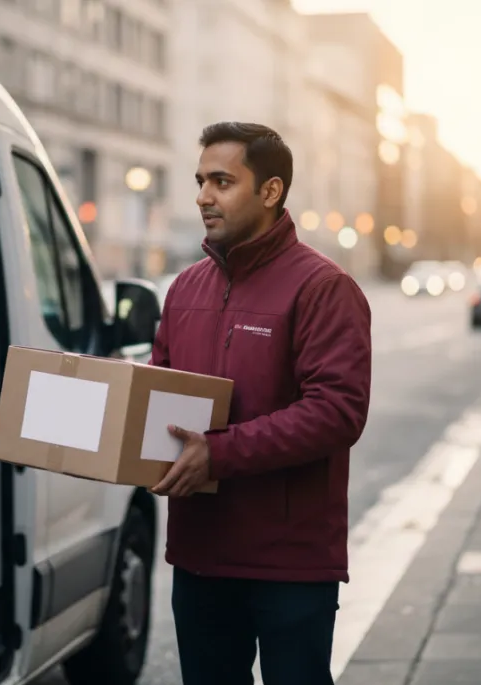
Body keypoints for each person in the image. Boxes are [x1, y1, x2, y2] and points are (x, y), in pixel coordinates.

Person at [149, 122, 372, 685]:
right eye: (200, 181)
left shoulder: (322, 287)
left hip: (289, 563)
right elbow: (158, 395)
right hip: (200, 555)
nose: (203, 197)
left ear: (270, 191)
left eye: (222, 181)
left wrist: (218, 455)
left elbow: (336, 411)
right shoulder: (184, 289)